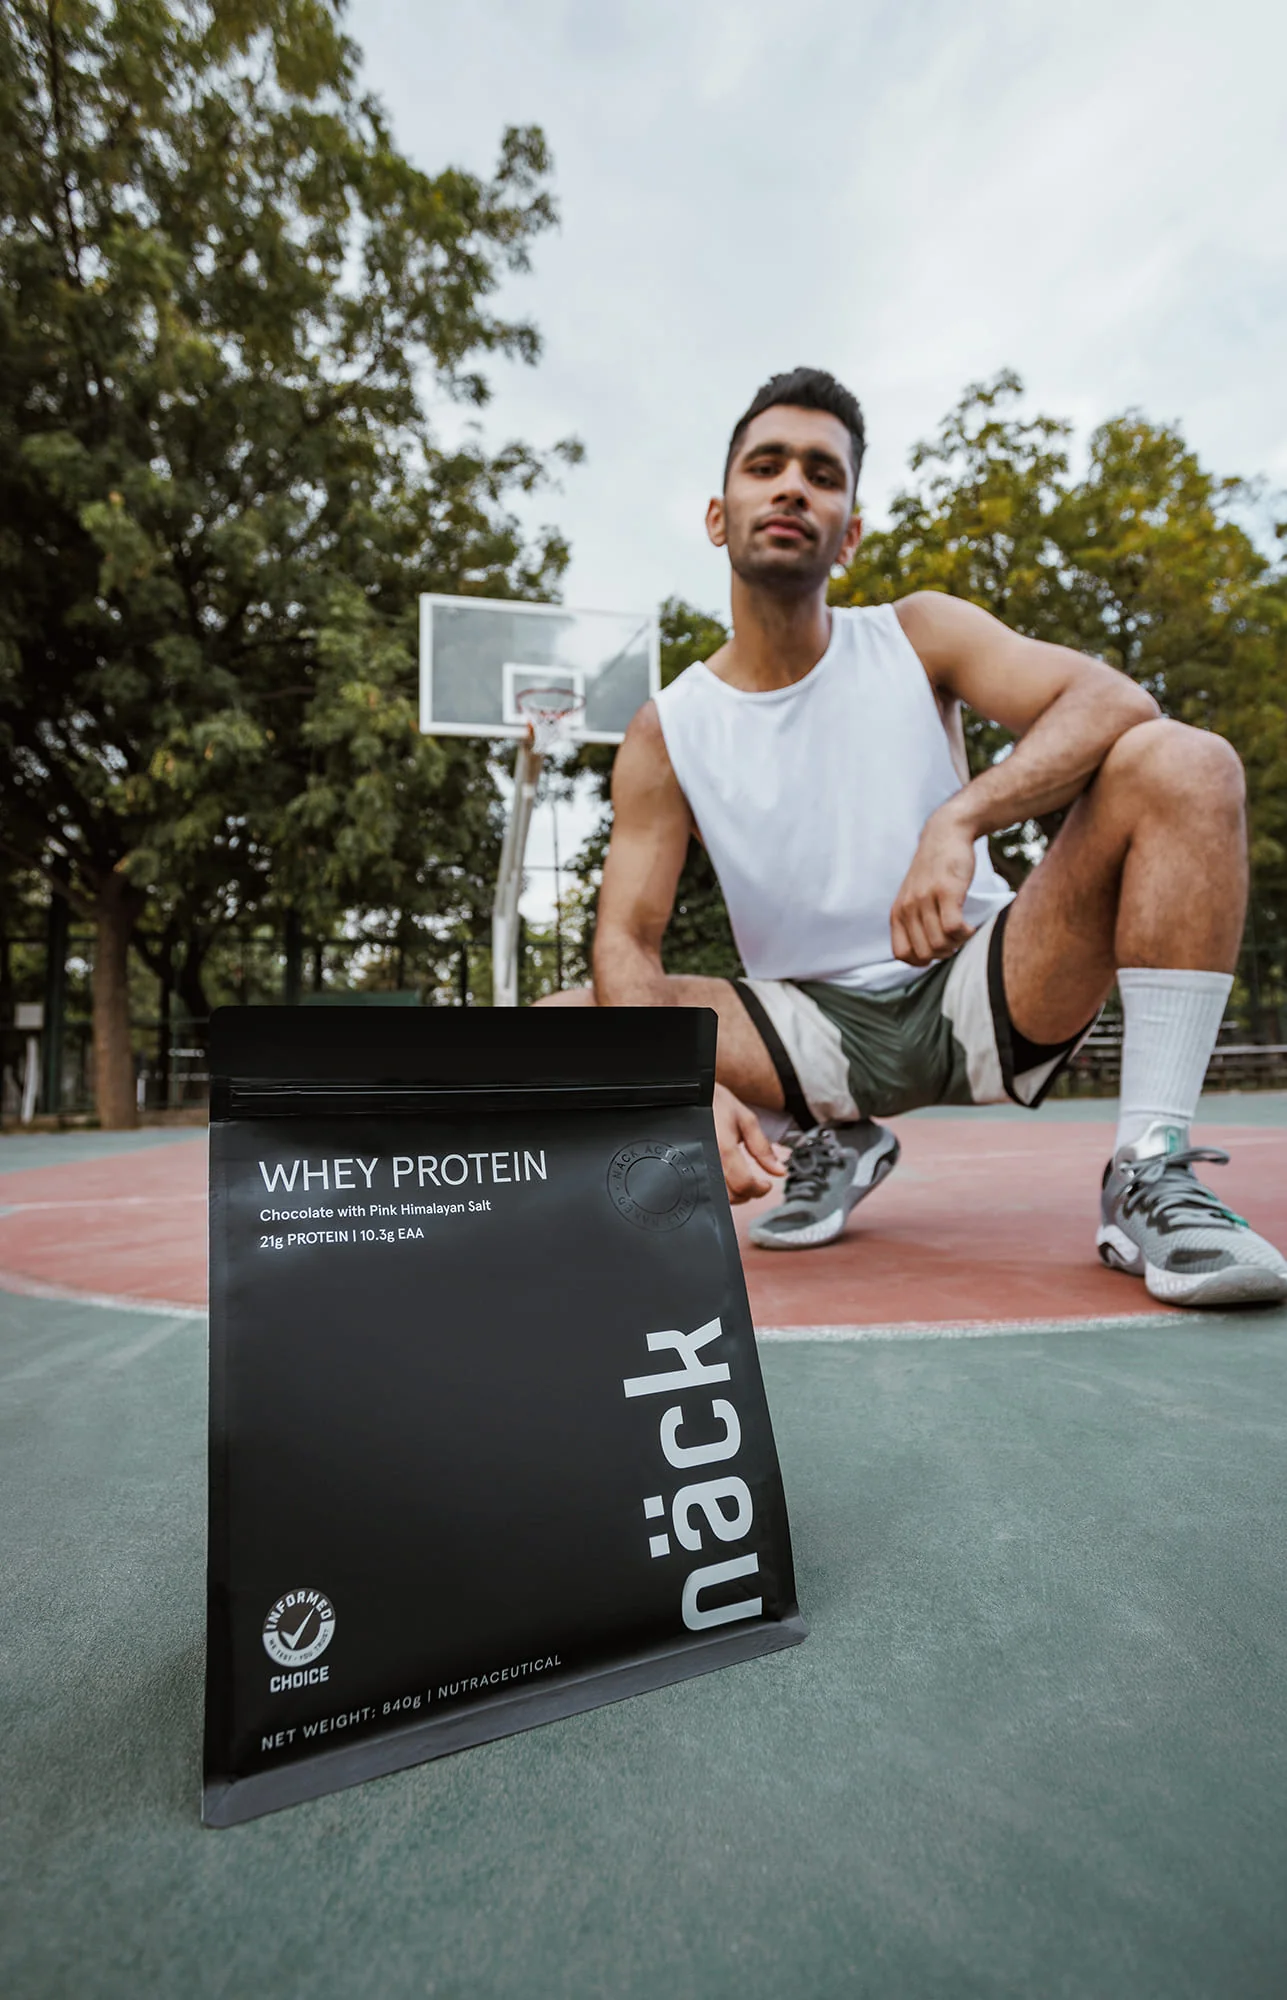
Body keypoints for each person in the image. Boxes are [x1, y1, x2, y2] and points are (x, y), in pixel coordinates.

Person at [545, 367, 1287, 1308]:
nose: (791, 487)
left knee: (1185, 761)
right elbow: (625, 939)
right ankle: (838, 1138)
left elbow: (1112, 699)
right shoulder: (668, 730)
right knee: (558, 1024)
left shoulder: (918, 634)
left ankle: (1149, 1168)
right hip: (804, 1030)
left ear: (848, 532)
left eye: (821, 474)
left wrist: (961, 816)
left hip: (987, 983)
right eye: (765, 466)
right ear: (717, 516)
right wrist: (676, 1087)